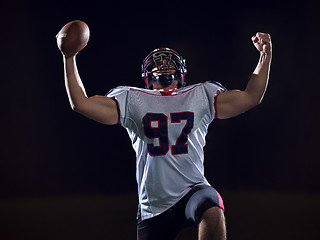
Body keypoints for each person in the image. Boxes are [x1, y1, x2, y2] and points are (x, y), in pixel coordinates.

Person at [59, 32, 272, 240]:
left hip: (193, 190)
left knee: (213, 210)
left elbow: (251, 97)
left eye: (169, 62)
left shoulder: (201, 94)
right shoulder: (131, 98)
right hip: (154, 206)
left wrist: (265, 55)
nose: (162, 65)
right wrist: (69, 58)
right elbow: (81, 103)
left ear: (181, 75)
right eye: (156, 64)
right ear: (147, 77)